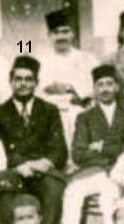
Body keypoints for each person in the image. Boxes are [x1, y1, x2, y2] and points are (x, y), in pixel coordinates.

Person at [61, 65, 124, 224]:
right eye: (100, 85)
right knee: (72, 193)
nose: (105, 89)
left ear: (117, 87)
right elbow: (78, 153)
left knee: (108, 197)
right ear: (94, 89)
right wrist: (113, 148)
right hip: (93, 172)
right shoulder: (84, 117)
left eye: (109, 84)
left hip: (121, 171)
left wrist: (101, 146)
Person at [0, 56, 68, 224]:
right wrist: (19, 165)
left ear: (36, 83)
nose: (23, 84)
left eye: (28, 79)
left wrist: (46, 162)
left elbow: (59, 148)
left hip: (44, 171)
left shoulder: (49, 111)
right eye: (18, 79)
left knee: (53, 188)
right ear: (10, 81)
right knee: (7, 190)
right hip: (15, 171)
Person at [39, 9, 99, 168]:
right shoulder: (42, 62)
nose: (61, 36)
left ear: (72, 34)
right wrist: (68, 91)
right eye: (56, 32)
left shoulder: (88, 59)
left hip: (81, 116)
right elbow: (42, 92)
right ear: (49, 36)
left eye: (65, 31)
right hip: (53, 120)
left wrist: (68, 90)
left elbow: (93, 91)